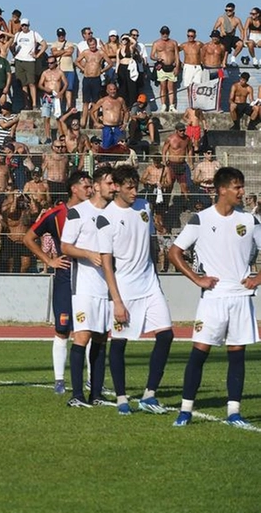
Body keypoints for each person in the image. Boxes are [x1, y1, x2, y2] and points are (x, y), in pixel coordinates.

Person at [168, 166, 261, 427]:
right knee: (200, 352)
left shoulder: (250, 220)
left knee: (237, 353)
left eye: (241, 187)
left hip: (241, 297)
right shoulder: (201, 219)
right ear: (222, 190)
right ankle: (185, 410)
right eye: (237, 187)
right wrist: (197, 278)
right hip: (214, 298)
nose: (242, 192)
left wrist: (257, 279)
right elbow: (174, 252)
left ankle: (234, 412)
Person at [95, 164, 174, 415]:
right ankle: (121, 399)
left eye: (136, 186)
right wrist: (116, 300)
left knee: (166, 335)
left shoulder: (144, 208)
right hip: (124, 290)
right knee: (119, 343)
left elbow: (149, 244)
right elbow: (107, 262)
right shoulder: (106, 218)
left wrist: (157, 278)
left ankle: (150, 395)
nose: (134, 192)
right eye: (129, 187)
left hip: (150, 284)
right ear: (116, 187)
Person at [24, 170, 92, 394]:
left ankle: (92, 379)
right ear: (74, 188)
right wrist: (49, 260)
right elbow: (28, 238)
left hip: (90, 277)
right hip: (65, 276)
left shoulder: (95, 213)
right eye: (86, 186)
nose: (90, 190)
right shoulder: (56, 214)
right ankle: (59, 381)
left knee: (89, 328)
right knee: (62, 329)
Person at [59, 167, 118, 408]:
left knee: (102, 337)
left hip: (108, 287)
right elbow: (64, 246)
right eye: (109, 183)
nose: (113, 187)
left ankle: (96, 394)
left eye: (115, 184)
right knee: (82, 336)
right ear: (96, 186)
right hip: (83, 285)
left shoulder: (115, 213)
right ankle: (76, 395)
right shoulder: (77, 213)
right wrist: (87, 253)